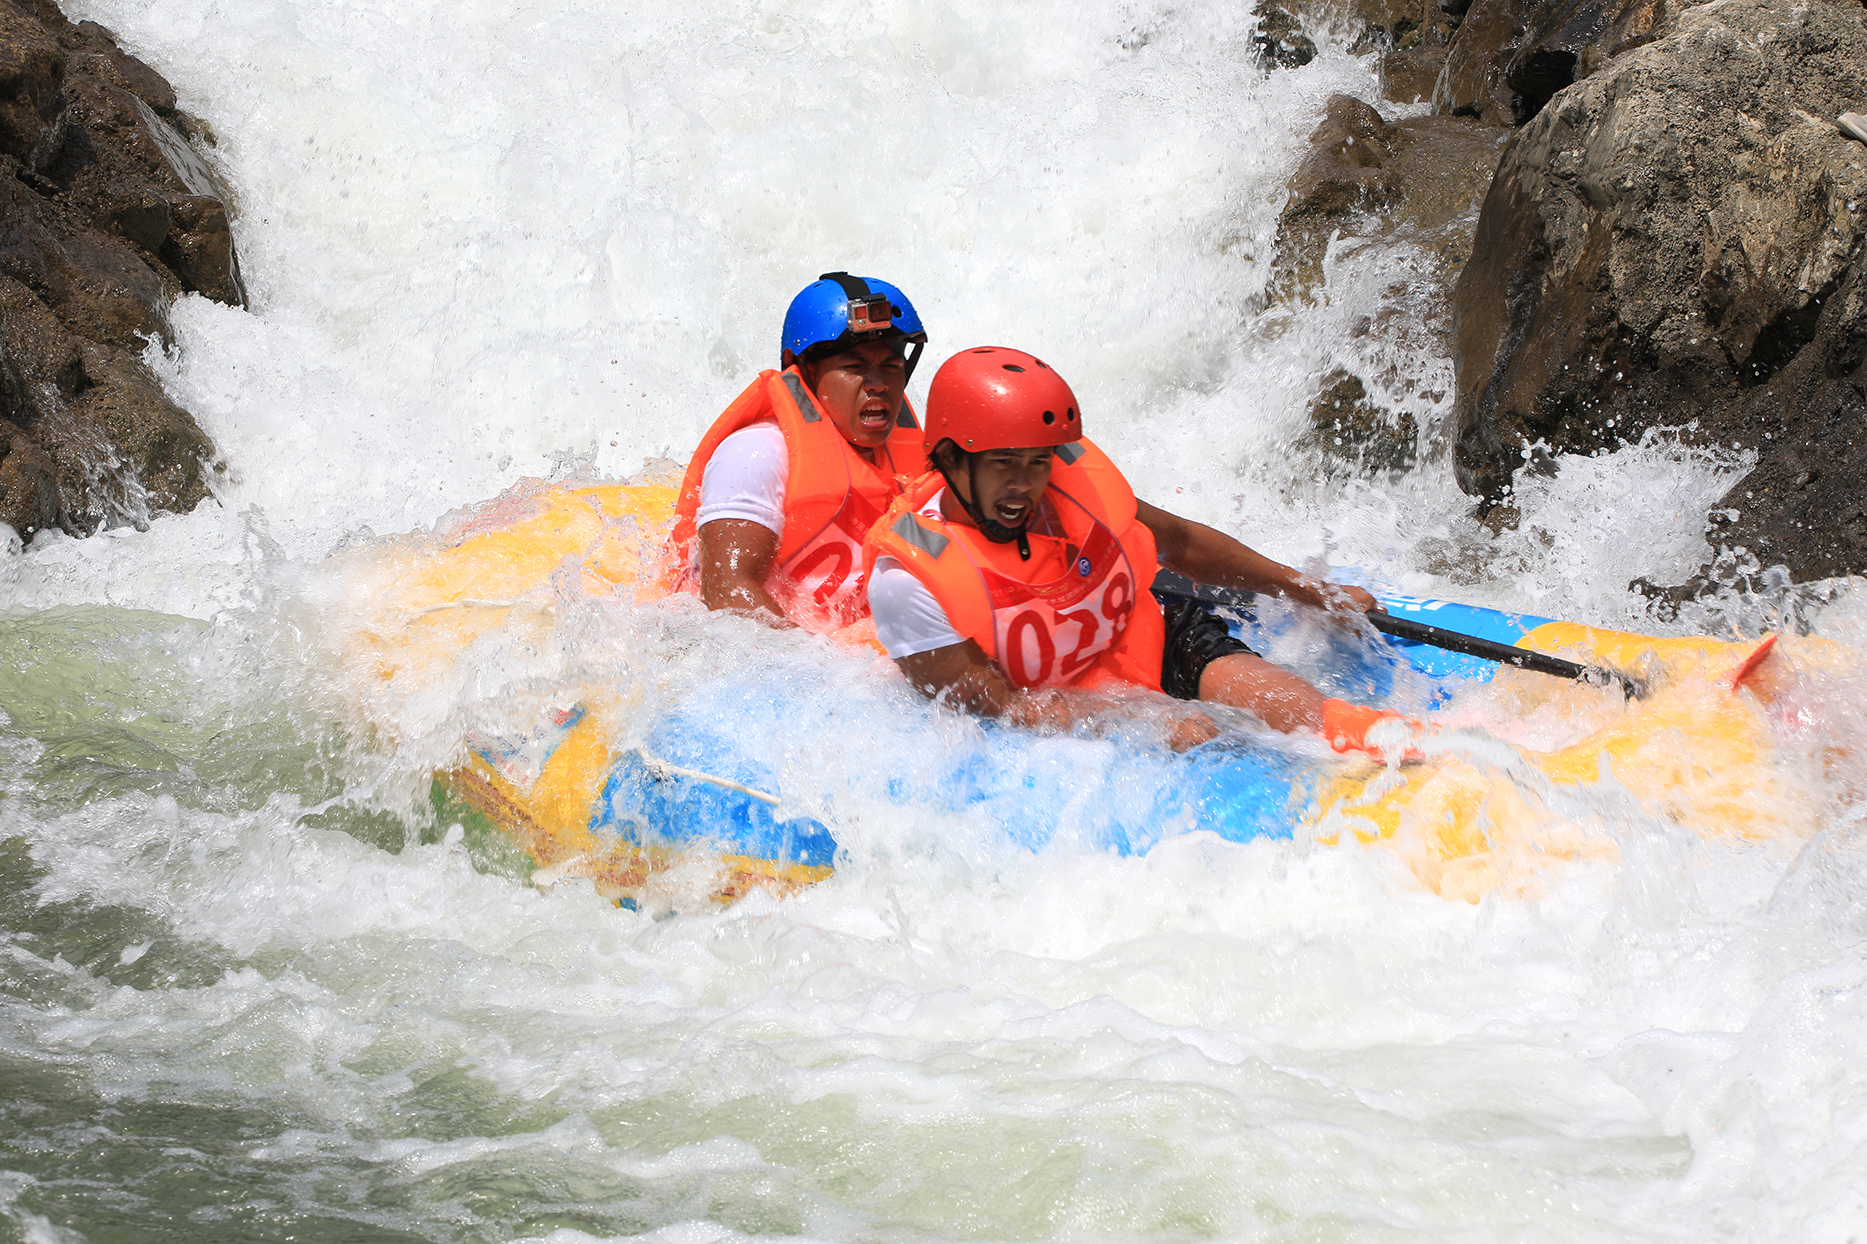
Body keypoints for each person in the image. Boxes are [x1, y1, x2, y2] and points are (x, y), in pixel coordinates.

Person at [861, 346, 1416, 759]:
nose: (1025, 486)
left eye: (1037, 462)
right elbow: (1004, 708)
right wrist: (1143, 719)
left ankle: (1385, 739)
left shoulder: (1072, 486)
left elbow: (1179, 542)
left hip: (1149, 638)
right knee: (1203, 740)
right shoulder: (906, 584)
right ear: (952, 460)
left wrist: (1309, 591)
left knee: (1307, 714)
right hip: (1060, 702)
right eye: (1004, 463)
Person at [661, 272, 928, 633]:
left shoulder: (914, 454)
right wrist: (830, 671)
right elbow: (727, 593)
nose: (879, 383)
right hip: (724, 654)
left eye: (891, 366)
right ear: (803, 370)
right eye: (854, 367)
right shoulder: (755, 454)